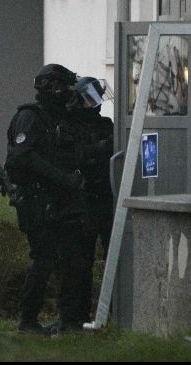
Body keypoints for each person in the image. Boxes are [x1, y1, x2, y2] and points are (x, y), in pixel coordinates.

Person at [5, 63, 88, 334]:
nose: (68, 94)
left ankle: (68, 320)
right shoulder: (30, 117)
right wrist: (63, 179)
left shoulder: (58, 118)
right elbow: (24, 156)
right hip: (37, 202)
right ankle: (27, 320)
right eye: (65, 88)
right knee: (44, 260)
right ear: (52, 88)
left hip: (60, 201)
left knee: (71, 261)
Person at [67, 77, 115, 327]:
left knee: (114, 256)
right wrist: (101, 147)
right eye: (89, 99)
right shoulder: (69, 127)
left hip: (106, 197)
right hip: (83, 201)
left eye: (97, 98)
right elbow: (74, 156)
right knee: (81, 264)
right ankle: (78, 316)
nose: (95, 104)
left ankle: (114, 314)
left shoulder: (106, 124)